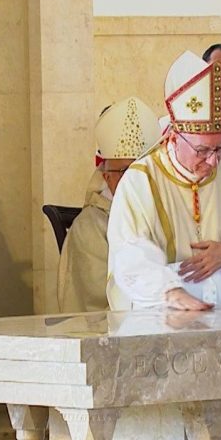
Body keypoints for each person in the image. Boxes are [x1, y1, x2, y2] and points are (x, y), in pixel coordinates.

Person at [107, 51, 221, 311]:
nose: (212, 161)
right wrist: (171, 293)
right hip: (165, 315)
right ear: (174, 137)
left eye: (220, 148)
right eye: (202, 151)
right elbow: (128, 256)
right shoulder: (142, 180)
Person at [58, 97, 161, 312]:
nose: (136, 179)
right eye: (126, 171)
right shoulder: (91, 226)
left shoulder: (170, 208)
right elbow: (96, 301)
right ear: (107, 176)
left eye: (144, 169)